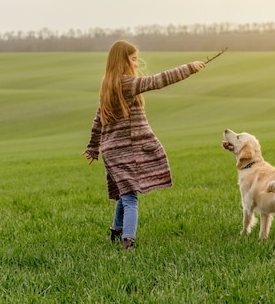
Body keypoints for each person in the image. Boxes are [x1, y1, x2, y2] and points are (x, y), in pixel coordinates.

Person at [83, 40, 206, 251]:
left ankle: (116, 230)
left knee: (125, 191)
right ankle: (128, 242)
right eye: (132, 59)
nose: (137, 63)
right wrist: (189, 68)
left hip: (112, 151)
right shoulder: (126, 83)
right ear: (122, 60)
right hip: (126, 150)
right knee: (131, 198)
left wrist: (94, 148)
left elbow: (98, 120)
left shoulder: (107, 86)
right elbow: (157, 81)